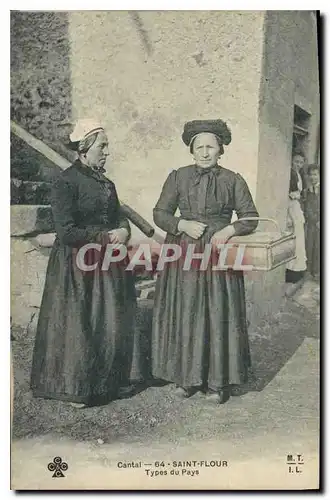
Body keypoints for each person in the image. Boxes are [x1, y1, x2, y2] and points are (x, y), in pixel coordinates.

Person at [151, 119, 259, 404]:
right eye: (199, 147)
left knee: (216, 312)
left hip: (218, 255)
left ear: (220, 149)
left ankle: (217, 382)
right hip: (184, 253)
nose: (204, 152)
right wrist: (182, 225)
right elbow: (160, 213)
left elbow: (250, 216)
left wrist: (229, 229)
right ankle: (186, 378)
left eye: (210, 146)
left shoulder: (233, 180)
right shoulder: (178, 177)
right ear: (191, 150)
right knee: (187, 311)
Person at [30, 119, 136, 408]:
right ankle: (76, 389)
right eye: (102, 146)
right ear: (84, 148)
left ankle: (107, 384)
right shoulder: (66, 182)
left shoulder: (107, 183)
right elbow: (66, 231)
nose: (107, 152)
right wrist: (105, 236)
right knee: (80, 324)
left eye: (106, 146)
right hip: (75, 265)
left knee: (108, 321)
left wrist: (124, 230)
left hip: (106, 263)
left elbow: (118, 217)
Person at [286, 152, 307, 283]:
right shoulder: (290, 173)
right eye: (296, 161)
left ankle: (297, 270)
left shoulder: (299, 175)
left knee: (298, 237)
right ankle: (290, 269)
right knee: (293, 237)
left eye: (301, 162)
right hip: (291, 206)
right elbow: (290, 193)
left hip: (296, 206)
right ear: (291, 161)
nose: (298, 164)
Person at [304, 164, 320, 280]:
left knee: (319, 246)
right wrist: (314, 219)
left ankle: (317, 271)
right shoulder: (307, 191)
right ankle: (308, 271)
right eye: (311, 175)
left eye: (315, 174)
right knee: (309, 245)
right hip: (311, 223)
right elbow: (307, 207)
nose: (313, 177)